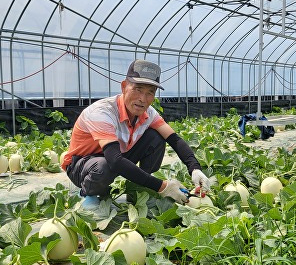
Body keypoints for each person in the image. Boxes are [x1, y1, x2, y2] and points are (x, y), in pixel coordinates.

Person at [60, 59, 211, 209]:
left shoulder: (148, 113)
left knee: (156, 137)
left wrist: (195, 168)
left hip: (114, 158)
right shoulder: (103, 112)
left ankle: (138, 187)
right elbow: (115, 161)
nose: (143, 99)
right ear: (124, 86)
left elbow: (174, 139)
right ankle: (87, 192)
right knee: (103, 166)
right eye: (138, 89)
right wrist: (162, 186)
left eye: (150, 93)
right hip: (81, 165)